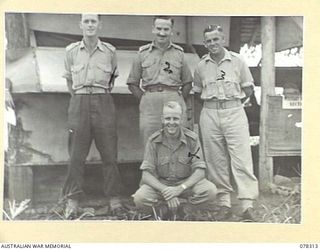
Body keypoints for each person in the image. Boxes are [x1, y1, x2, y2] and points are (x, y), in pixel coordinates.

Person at [193, 25, 259, 221]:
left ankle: (247, 204)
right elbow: (197, 93)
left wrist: (232, 104)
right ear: (205, 44)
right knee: (215, 159)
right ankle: (224, 203)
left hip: (234, 111)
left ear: (223, 40)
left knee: (241, 157)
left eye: (216, 39)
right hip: (210, 112)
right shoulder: (201, 66)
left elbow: (248, 90)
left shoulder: (238, 61)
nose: (212, 44)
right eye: (208, 41)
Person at [61, 14, 124, 216]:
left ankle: (114, 199)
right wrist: (82, 98)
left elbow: (112, 81)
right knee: (76, 155)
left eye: (93, 21)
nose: (90, 25)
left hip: (103, 100)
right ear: (80, 24)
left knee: (109, 153)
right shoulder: (71, 51)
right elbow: (70, 82)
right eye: (86, 21)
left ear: (99, 25)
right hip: (79, 101)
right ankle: (72, 200)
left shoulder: (109, 51)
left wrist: (98, 96)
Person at [133, 101, 217, 219]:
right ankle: (167, 209)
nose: (171, 123)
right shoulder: (154, 141)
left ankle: (185, 209)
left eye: (175, 119)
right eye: (168, 118)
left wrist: (180, 189)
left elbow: (200, 171)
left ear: (182, 119)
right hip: (162, 186)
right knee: (140, 198)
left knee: (210, 191)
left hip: (186, 185)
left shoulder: (191, 140)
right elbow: (146, 175)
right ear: (162, 119)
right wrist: (167, 192)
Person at [127, 16, 193, 146]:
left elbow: (187, 83)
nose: (162, 33)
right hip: (150, 103)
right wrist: (146, 98)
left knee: (176, 142)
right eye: (159, 29)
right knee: (150, 141)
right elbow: (132, 83)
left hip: (174, 99)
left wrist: (177, 100)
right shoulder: (142, 53)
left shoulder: (179, 53)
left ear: (171, 31)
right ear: (153, 29)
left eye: (166, 29)